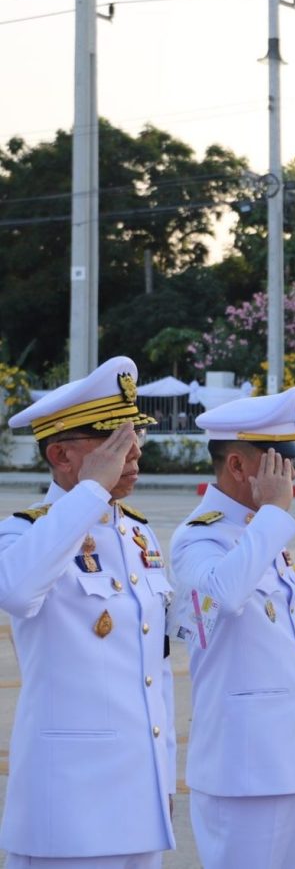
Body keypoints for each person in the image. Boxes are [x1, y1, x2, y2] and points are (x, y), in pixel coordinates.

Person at [0, 357, 176, 867]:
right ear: (61, 455)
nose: (134, 451)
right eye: (114, 440)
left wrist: (164, 776)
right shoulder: (25, 532)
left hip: (139, 798)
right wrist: (92, 491)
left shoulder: (138, 534)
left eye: (135, 435)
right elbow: (16, 591)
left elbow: (157, 668)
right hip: (70, 804)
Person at [169, 386, 295, 869]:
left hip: (291, 763)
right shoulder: (199, 538)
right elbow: (223, 596)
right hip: (244, 772)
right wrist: (272, 514)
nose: (291, 475)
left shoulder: (258, 531)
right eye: (280, 463)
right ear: (237, 465)